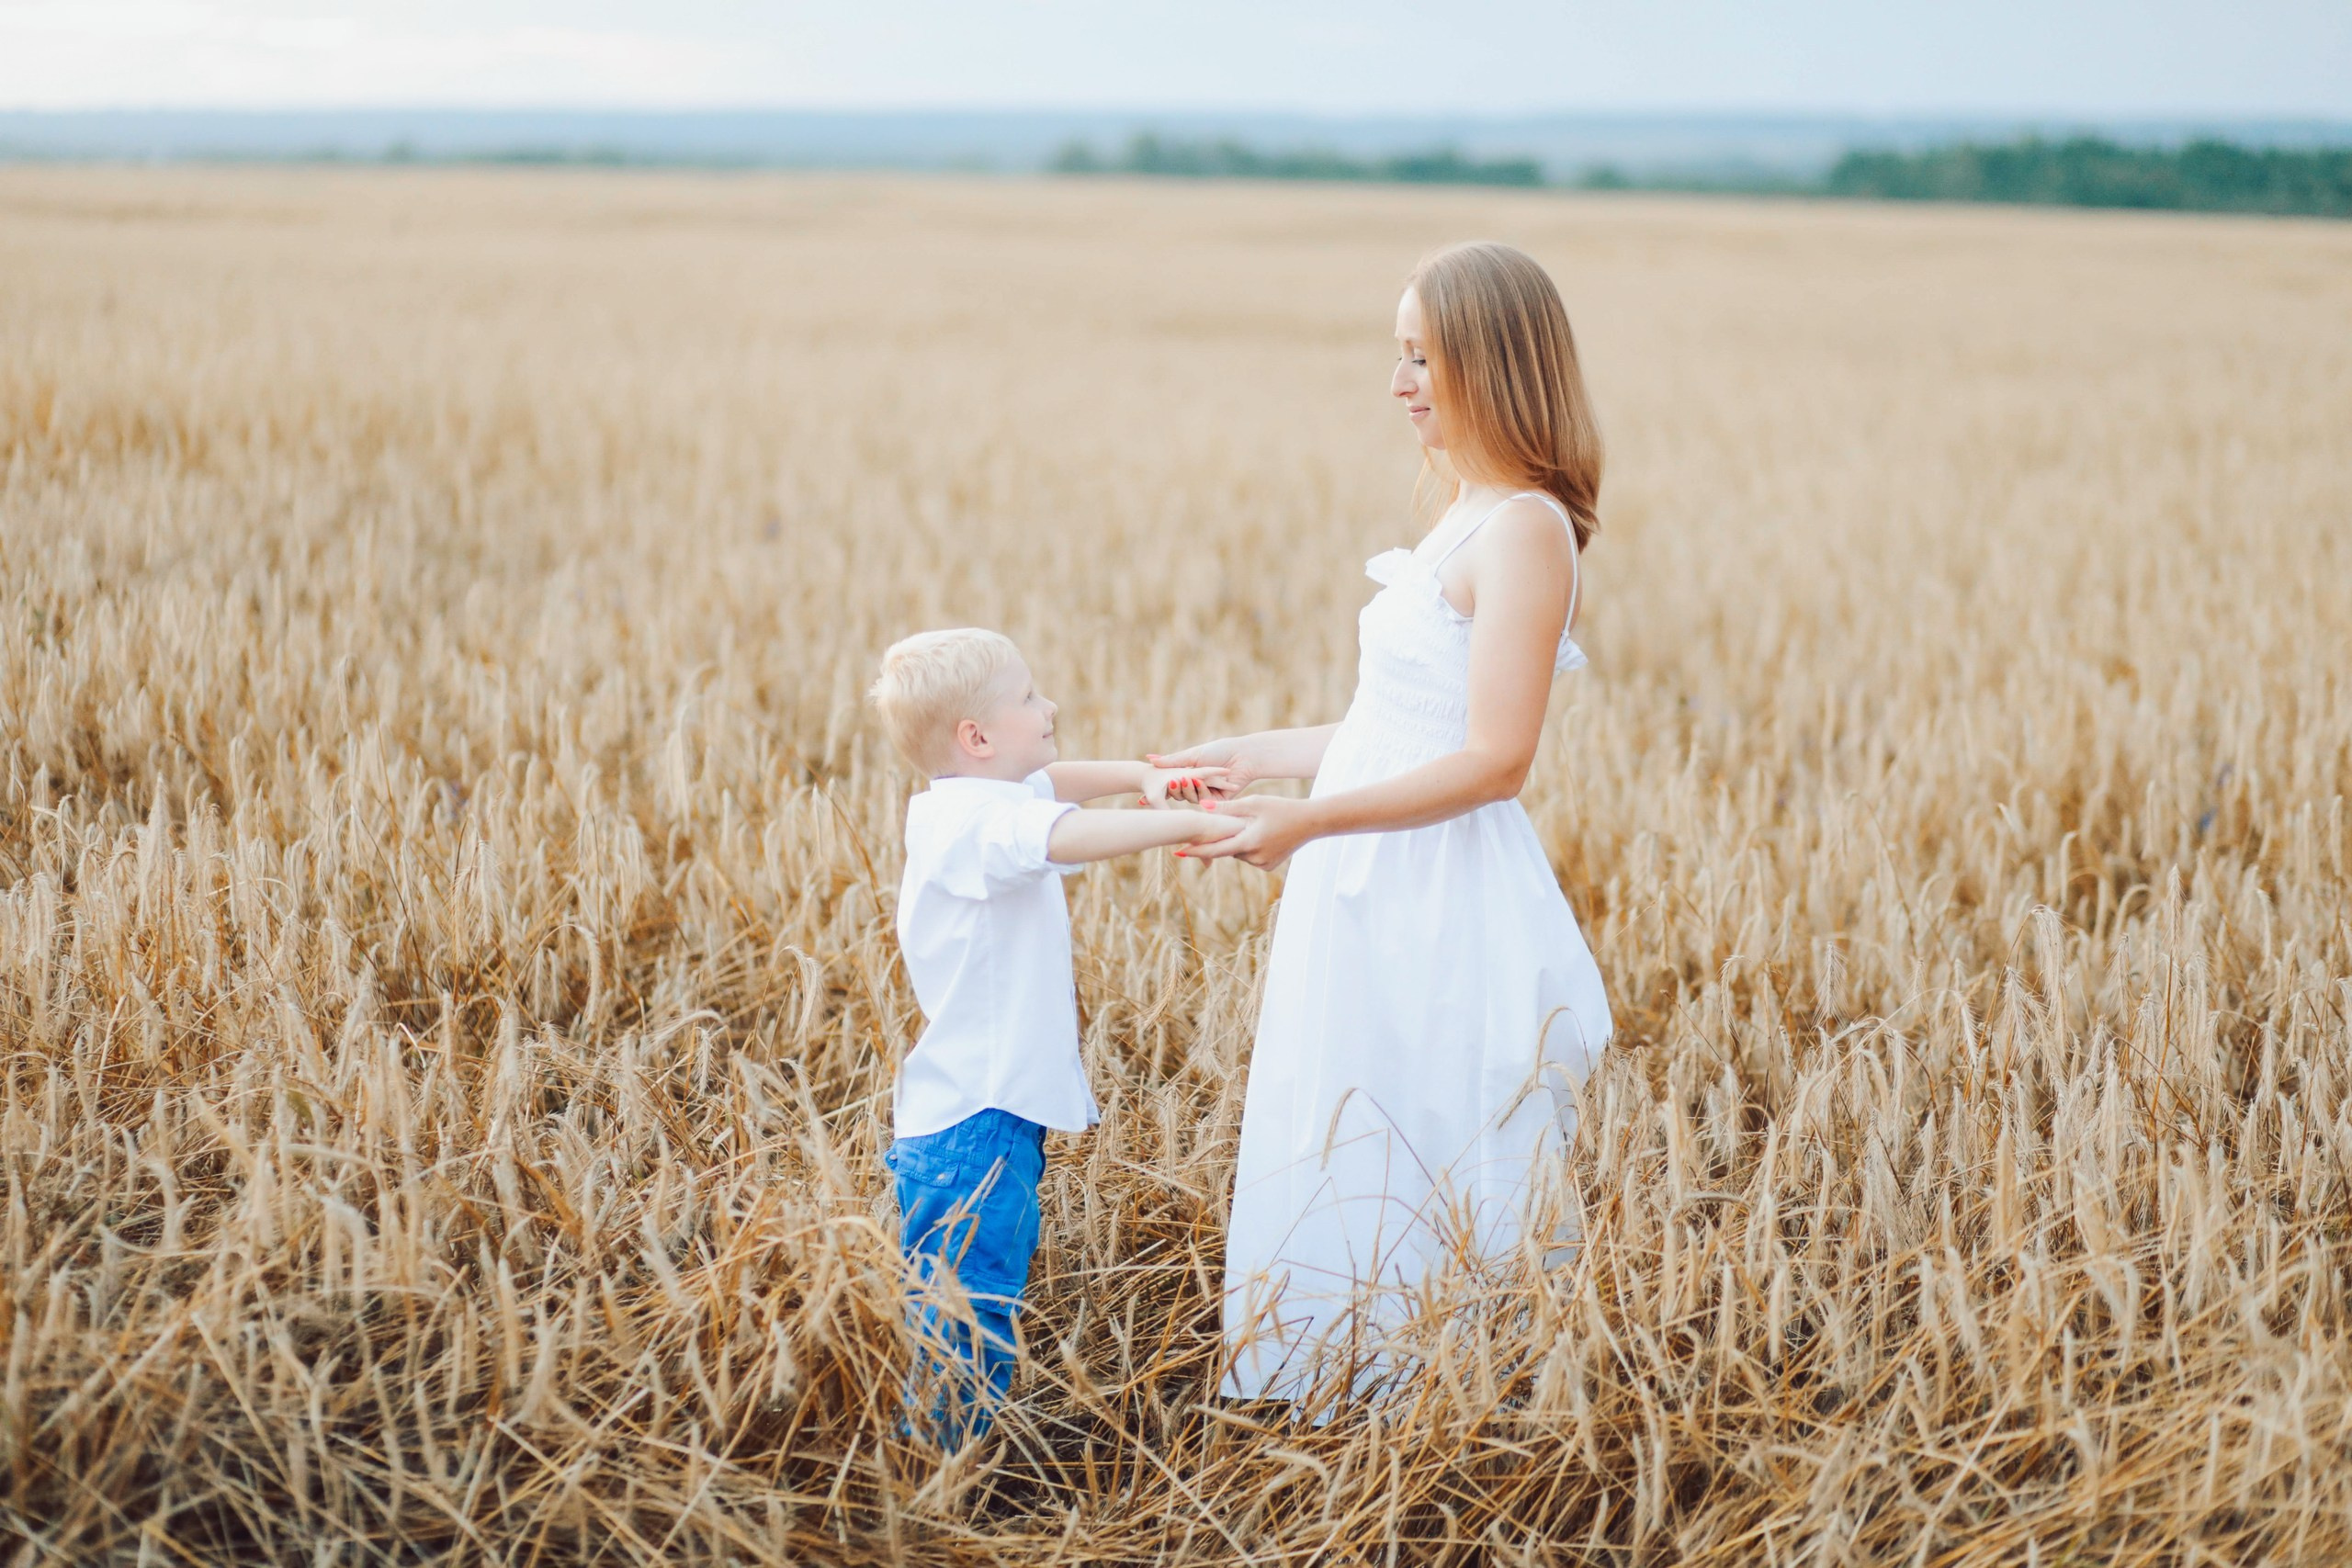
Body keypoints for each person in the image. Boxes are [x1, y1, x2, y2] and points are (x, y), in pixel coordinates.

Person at [1155, 242, 1614, 1403]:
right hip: (1371, 873)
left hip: (1434, 889)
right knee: (1348, 1120)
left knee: (1424, 1126)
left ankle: (1435, 1392)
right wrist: (1251, 757)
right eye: (1398, 355)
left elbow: (1495, 760)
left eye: (1425, 356)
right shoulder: (1463, 512)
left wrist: (1307, 826)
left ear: (1495, 364)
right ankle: (1338, 1378)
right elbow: (1396, 727)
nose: (1401, 380)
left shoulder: (1525, 529)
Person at [868, 626, 1236, 1444]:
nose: (1051, 706)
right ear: (978, 737)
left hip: (985, 1118)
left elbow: (1052, 782)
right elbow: (1060, 832)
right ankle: (940, 1478)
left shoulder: (972, 797)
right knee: (966, 1320)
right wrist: (1182, 828)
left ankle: (937, 1456)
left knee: (965, 1306)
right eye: (1030, 697)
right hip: (976, 1127)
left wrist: (1145, 778)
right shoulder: (975, 830)